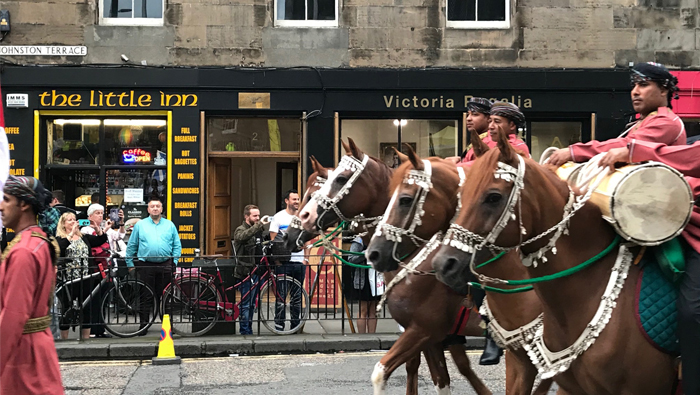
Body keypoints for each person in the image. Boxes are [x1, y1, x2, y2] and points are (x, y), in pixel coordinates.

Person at [600, 142, 700, 395]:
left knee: (692, 312)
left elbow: (690, 158)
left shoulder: (664, 121)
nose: (635, 97)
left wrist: (633, 151)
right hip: (687, 224)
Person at [548, 62, 686, 167]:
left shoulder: (666, 121)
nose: (635, 92)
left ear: (663, 90)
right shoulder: (646, 120)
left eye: (643, 85)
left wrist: (574, 152)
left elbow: (627, 146)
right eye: (634, 85)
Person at [0, 176, 64, 394]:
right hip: (37, 348)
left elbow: (13, 316)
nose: (1, 206)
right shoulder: (38, 241)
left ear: (24, 204)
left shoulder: (23, 251)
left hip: (22, 356)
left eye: (6, 200)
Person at [126, 198, 181, 334]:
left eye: (158, 206)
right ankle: (143, 326)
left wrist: (174, 263)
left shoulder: (169, 225)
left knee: (166, 298)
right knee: (146, 297)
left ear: (162, 209)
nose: (155, 208)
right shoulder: (140, 225)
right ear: (148, 210)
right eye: (152, 206)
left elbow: (177, 245)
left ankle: (167, 326)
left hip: (165, 264)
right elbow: (132, 245)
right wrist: (130, 265)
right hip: (146, 265)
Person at [55, 212, 108, 340]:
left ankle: (85, 339)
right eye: (69, 220)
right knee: (67, 309)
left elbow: (100, 240)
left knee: (86, 308)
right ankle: (64, 339)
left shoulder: (84, 237)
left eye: (74, 220)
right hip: (68, 278)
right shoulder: (59, 239)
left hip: (85, 276)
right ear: (63, 224)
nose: (73, 222)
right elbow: (60, 249)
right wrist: (71, 233)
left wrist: (97, 229)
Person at [270, 189, 307, 332]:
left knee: (297, 297)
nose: (297, 202)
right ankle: (279, 325)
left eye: (298, 199)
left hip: (299, 263)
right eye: (294, 199)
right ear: (287, 201)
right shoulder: (278, 217)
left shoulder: (303, 217)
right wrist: (278, 261)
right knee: (281, 296)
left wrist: (306, 259)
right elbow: (274, 241)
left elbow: (306, 239)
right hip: (283, 263)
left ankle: (295, 326)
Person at [233, 204, 270, 335]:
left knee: (252, 304)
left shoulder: (257, 229)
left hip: (256, 271)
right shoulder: (240, 229)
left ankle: (249, 328)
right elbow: (242, 237)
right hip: (245, 272)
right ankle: (245, 331)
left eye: (258, 215)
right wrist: (258, 225)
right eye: (255, 216)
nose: (257, 218)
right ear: (246, 216)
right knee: (246, 304)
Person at [80, 203, 114, 338]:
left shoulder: (101, 229)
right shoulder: (85, 230)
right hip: (94, 269)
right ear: (90, 216)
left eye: (101, 213)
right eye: (97, 213)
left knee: (103, 300)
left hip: (104, 268)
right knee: (94, 300)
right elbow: (96, 247)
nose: (100, 216)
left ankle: (100, 328)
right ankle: (94, 329)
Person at [345, 237, 380, 333]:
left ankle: (372, 335)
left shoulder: (378, 238)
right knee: (363, 310)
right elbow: (351, 259)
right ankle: (362, 336)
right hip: (363, 279)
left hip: (376, 277)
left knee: (373, 310)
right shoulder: (359, 240)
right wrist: (365, 253)